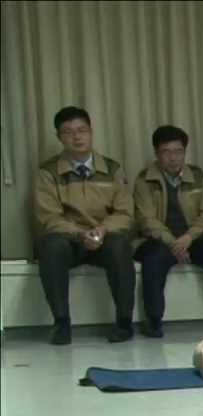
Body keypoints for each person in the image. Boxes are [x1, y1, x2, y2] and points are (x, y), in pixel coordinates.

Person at [33, 106, 136, 345]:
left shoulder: (112, 169)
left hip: (104, 237)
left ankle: (124, 322)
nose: (76, 137)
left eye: (82, 130)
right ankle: (61, 323)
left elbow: (124, 212)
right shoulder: (47, 172)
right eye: (68, 132)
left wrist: (102, 230)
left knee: (120, 246)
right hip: (69, 239)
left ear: (91, 132)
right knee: (50, 247)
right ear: (59, 137)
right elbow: (48, 217)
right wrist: (81, 233)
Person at [133, 125, 203, 337]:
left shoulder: (197, 176)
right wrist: (172, 242)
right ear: (157, 154)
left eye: (178, 152)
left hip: (192, 237)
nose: (173, 158)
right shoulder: (144, 180)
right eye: (166, 152)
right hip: (158, 240)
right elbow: (146, 219)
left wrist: (188, 237)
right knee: (154, 258)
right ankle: (154, 320)